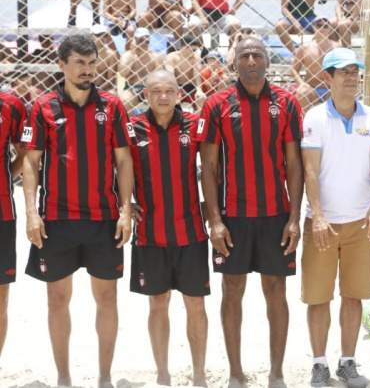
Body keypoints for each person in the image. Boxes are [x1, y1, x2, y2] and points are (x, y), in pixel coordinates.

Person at [21, 34, 136, 388]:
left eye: (92, 63)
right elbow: (30, 161)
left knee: (107, 298)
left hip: (103, 221)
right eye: (80, 63)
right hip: (56, 220)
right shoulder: (43, 107)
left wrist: (126, 210)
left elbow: (124, 160)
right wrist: (30, 212)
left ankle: (104, 377)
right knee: (57, 299)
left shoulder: (113, 107)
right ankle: (64, 378)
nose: (88, 70)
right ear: (62, 65)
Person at [197, 37, 303, 388]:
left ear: (268, 62)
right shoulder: (216, 105)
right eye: (245, 55)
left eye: (258, 54)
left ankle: (276, 373)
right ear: (235, 63)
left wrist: (293, 218)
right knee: (233, 289)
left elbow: (293, 164)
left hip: (275, 215)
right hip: (233, 217)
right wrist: (214, 220)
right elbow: (208, 168)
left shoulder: (287, 103)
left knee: (276, 290)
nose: (252, 60)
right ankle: (236, 374)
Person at [301, 48, 370, 388]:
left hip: (360, 223)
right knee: (318, 297)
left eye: (355, 70)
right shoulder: (315, 119)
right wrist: (318, 217)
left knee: (354, 296)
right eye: (343, 71)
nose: (351, 77)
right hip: (322, 224)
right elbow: (310, 171)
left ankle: (347, 362)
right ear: (328, 78)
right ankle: (320, 364)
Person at [129, 69, 208, 387]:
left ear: (178, 94)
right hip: (149, 233)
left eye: (169, 91)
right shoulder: (132, 129)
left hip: (191, 233)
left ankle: (199, 375)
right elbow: (116, 165)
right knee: (157, 303)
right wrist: (123, 201)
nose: (163, 97)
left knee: (196, 304)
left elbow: (214, 168)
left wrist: (212, 209)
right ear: (146, 95)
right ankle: (163, 375)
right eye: (156, 91)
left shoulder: (193, 126)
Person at [0, 87, 25, 364]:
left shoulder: (11, 105)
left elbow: (25, 153)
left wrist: (6, 176)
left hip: (2, 211)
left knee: (0, 299)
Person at [290, 16, 340, 112]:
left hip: (331, 89)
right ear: (314, 27)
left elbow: (344, 68)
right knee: (302, 92)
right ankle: (303, 124)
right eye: (319, 25)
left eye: (325, 26)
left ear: (330, 29)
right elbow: (294, 69)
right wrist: (301, 84)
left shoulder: (337, 47)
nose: (322, 28)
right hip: (311, 90)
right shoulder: (305, 48)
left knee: (339, 91)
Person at [119, 28, 165, 114]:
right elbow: (123, 73)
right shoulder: (127, 55)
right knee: (124, 101)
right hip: (131, 88)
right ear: (135, 40)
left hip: (150, 88)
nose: (144, 43)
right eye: (141, 40)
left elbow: (159, 78)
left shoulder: (155, 57)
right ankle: (130, 126)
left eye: (147, 41)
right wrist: (133, 54)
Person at [164, 34, 203, 110]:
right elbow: (170, 77)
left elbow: (197, 75)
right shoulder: (172, 57)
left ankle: (198, 121)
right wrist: (175, 91)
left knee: (201, 101)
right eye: (193, 50)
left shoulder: (195, 57)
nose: (195, 52)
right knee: (174, 104)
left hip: (191, 86)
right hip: (176, 85)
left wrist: (199, 90)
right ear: (185, 47)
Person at [92, 24, 120, 94]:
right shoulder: (84, 53)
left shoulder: (111, 55)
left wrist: (97, 89)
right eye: (98, 35)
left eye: (105, 35)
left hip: (105, 88)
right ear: (91, 36)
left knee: (113, 94)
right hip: (86, 87)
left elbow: (110, 80)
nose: (102, 37)